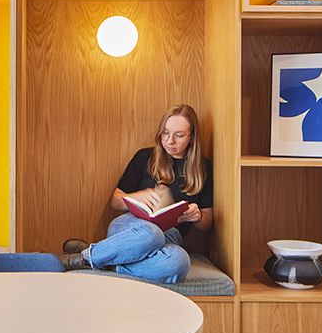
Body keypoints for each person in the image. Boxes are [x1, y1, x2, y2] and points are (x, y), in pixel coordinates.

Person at [58, 104, 213, 283]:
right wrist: (137, 196)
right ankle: (85, 258)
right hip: (130, 229)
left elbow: (207, 223)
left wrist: (198, 216)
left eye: (178, 135)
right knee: (152, 234)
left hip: (169, 238)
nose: (170, 140)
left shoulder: (203, 168)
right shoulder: (145, 157)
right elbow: (115, 202)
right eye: (165, 133)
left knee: (179, 262)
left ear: (191, 138)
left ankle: (105, 260)